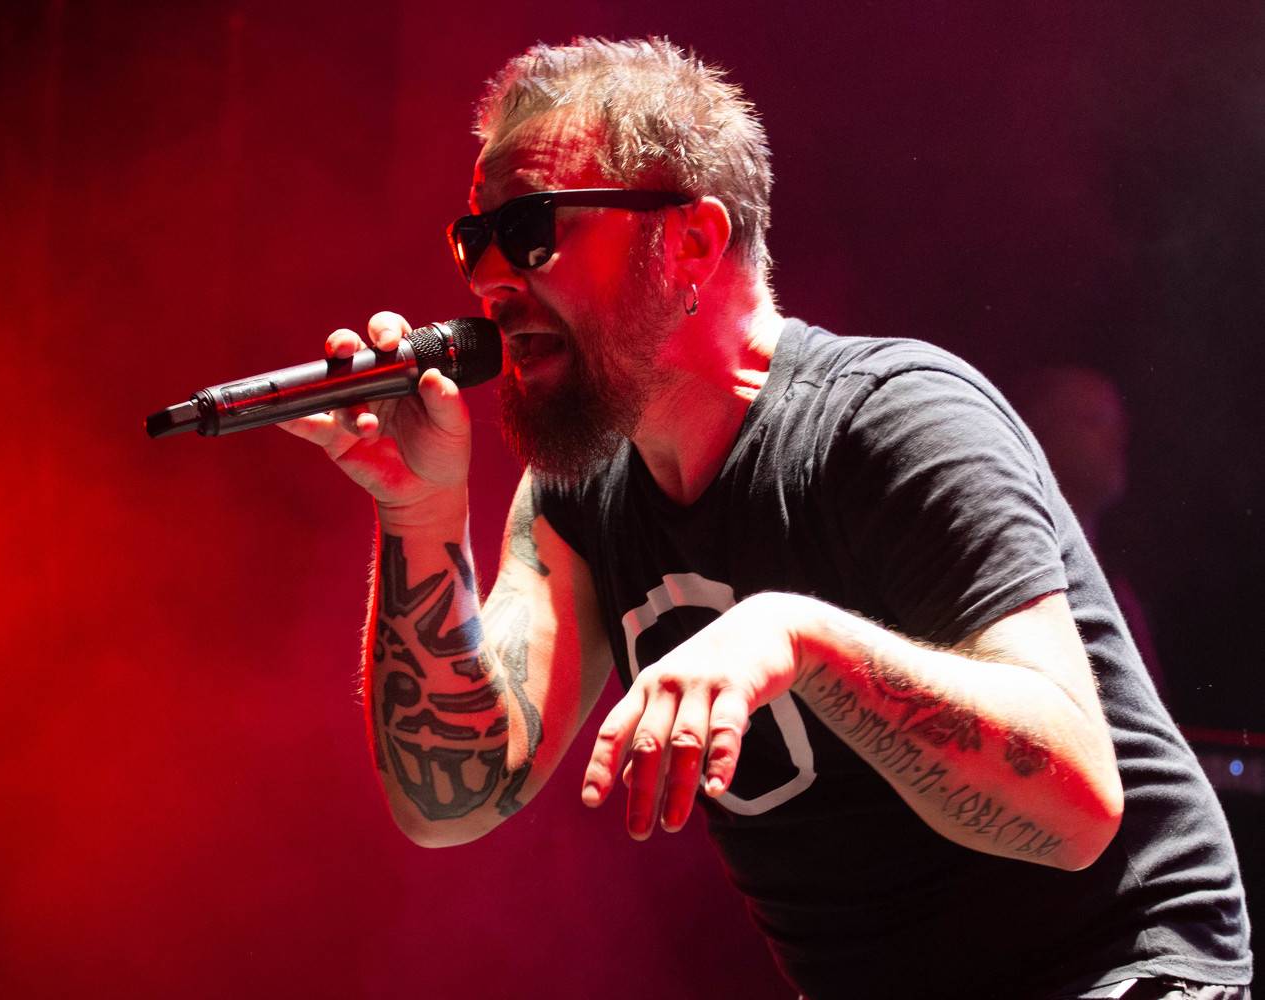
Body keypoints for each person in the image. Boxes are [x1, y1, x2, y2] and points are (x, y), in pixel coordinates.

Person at [281, 38, 1252, 1000]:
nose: (489, 278)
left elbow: (1077, 807)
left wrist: (796, 639)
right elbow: (456, 794)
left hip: (1127, 972)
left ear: (692, 243)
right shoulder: (581, 490)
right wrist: (418, 508)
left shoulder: (893, 421)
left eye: (529, 229)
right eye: (474, 239)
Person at [1006, 366, 1166, 701]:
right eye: (1096, 421)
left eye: (1119, 424)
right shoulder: (1020, 572)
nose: (1118, 440)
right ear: (1040, 436)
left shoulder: (1119, 586)